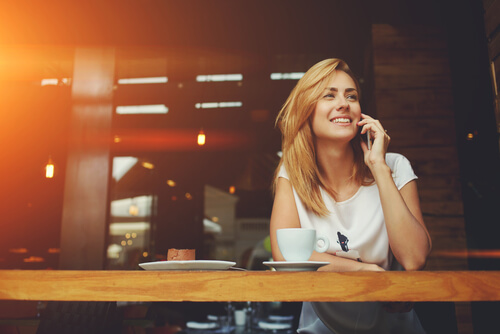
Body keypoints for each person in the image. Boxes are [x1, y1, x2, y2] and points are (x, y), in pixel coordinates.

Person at [269, 58, 432, 333]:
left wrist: (379, 168)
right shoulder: (293, 174)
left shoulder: (395, 165)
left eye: (351, 96)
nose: (343, 103)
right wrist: (364, 272)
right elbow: (286, 256)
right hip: (321, 328)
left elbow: (414, 258)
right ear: (307, 110)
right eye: (329, 95)